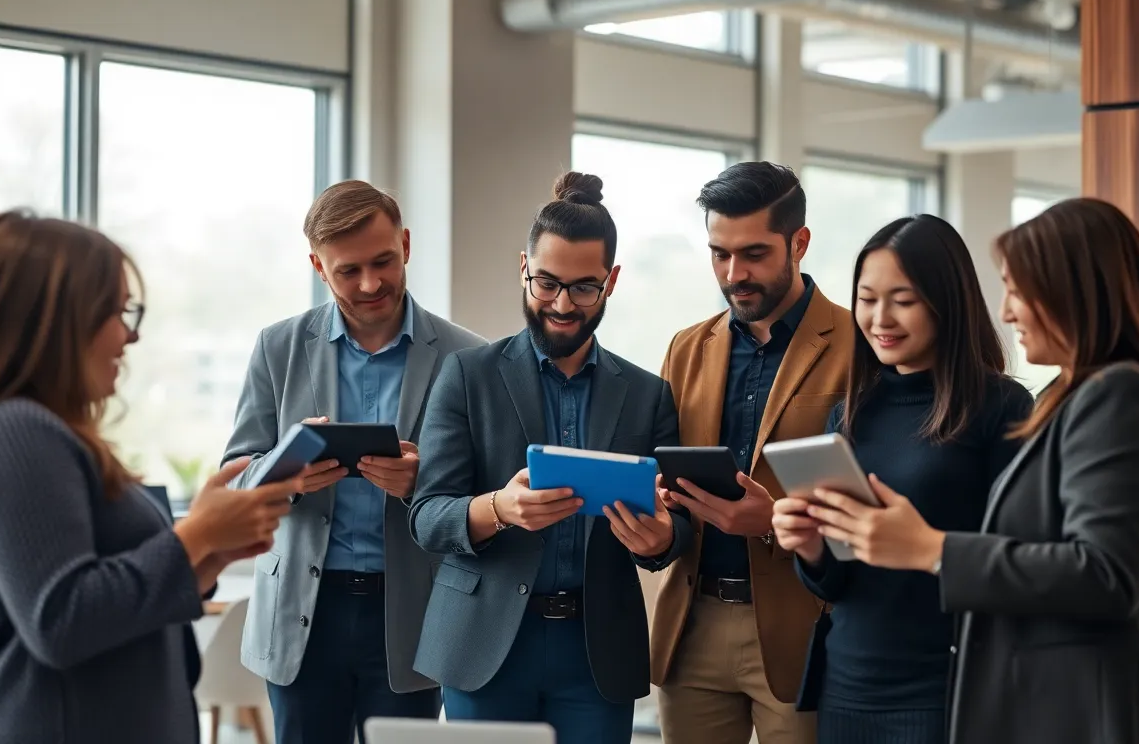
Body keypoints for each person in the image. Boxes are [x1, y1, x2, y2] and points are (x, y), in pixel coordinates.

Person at [801, 197, 1139, 744]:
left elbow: (1106, 576)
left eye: (1021, 291)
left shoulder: (1120, 398)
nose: (1006, 311)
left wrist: (931, 548)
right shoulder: (1077, 397)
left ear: (1078, 292)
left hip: (1079, 708)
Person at [0, 212, 301, 744]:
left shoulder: (29, 432)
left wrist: (209, 552)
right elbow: (61, 619)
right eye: (117, 311)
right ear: (54, 321)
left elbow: (80, 601)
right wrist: (196, 535)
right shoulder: (16, 431)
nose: (130, 335)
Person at [407, 172, 691, 744]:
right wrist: (498, 508)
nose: (562, 304)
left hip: (597, 650)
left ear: (611, 281)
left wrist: (660, 540)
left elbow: (678, 525)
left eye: (584, 287)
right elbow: (426, 516)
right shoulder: (467, 376)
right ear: (524, 268)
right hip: (482, 643)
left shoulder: (647, 394)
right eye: (547, 283)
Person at [221, 180, 485, 744]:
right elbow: (234, 478)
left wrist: (423, 484)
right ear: (319, 266)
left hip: (413, 609)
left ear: (407, 245)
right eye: (348, 271)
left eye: (384, 262)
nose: (371, 284)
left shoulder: (467, 357)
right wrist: (282, 473)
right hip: (300, 613)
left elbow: (488, 496)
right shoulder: (277, 347)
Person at [770, 214, 1033, 743]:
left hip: (945, 687)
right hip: (846, 684)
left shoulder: (1001, 407)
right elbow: (839, 580)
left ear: (946, 301)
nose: (880, 318)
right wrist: (811, 547)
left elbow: (1017, 559)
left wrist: (924, 543)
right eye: (867, 299)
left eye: (903, 300)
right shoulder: (849, 415)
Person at [649, 161, 852, 744]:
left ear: (800, 243)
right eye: (719, 253)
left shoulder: (858, 346)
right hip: (693, 626)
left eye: (755, 254)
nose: (734, 274)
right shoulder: (687, 348)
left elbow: (875, 498)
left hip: (805, 627)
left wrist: (772, 522)